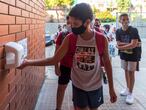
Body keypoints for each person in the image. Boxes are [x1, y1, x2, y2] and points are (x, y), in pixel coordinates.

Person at [18, 3, 117, 110]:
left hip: (95, 86)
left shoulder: (101, 39)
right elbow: (54, 59)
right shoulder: (70, 38)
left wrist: (111, 88)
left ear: (87, 22)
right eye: (70, 23)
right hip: (79, 86)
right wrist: (28, 62)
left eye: (75, 23)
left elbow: (107, 64)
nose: (72, 26)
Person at [116, 13, 142, 105]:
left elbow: (134, 44)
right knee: (126, 71)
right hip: (124, 55)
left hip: (133, 55)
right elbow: (118, 43)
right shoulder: (118, 31)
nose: (125, 21)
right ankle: (127, 89)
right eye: (123, 19)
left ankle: (131, 93)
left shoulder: (133, 30)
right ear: (120, 21)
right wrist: (129, 44)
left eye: (127, 19)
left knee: (131, 72)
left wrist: (122, 46)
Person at [55, 16, 72, 110]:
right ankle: (58, 108)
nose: (70, 25)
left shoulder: (81, 35)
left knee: (78, 90)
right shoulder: (62, 35)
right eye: (68, 23)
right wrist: (56, 67)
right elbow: (56, 52)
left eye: (71, 23)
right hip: (64, 66)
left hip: (77, 68)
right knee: (61, 88)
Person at [94, 19, 108, 84]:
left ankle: (103, 74)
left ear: (100, 23)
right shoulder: (93, 29)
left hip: (101, 49)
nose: (97, 24)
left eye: (98, 23)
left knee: (102, 64)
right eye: (95, 23)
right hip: (96, 49)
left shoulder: (102, 30)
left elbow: (107, 38)